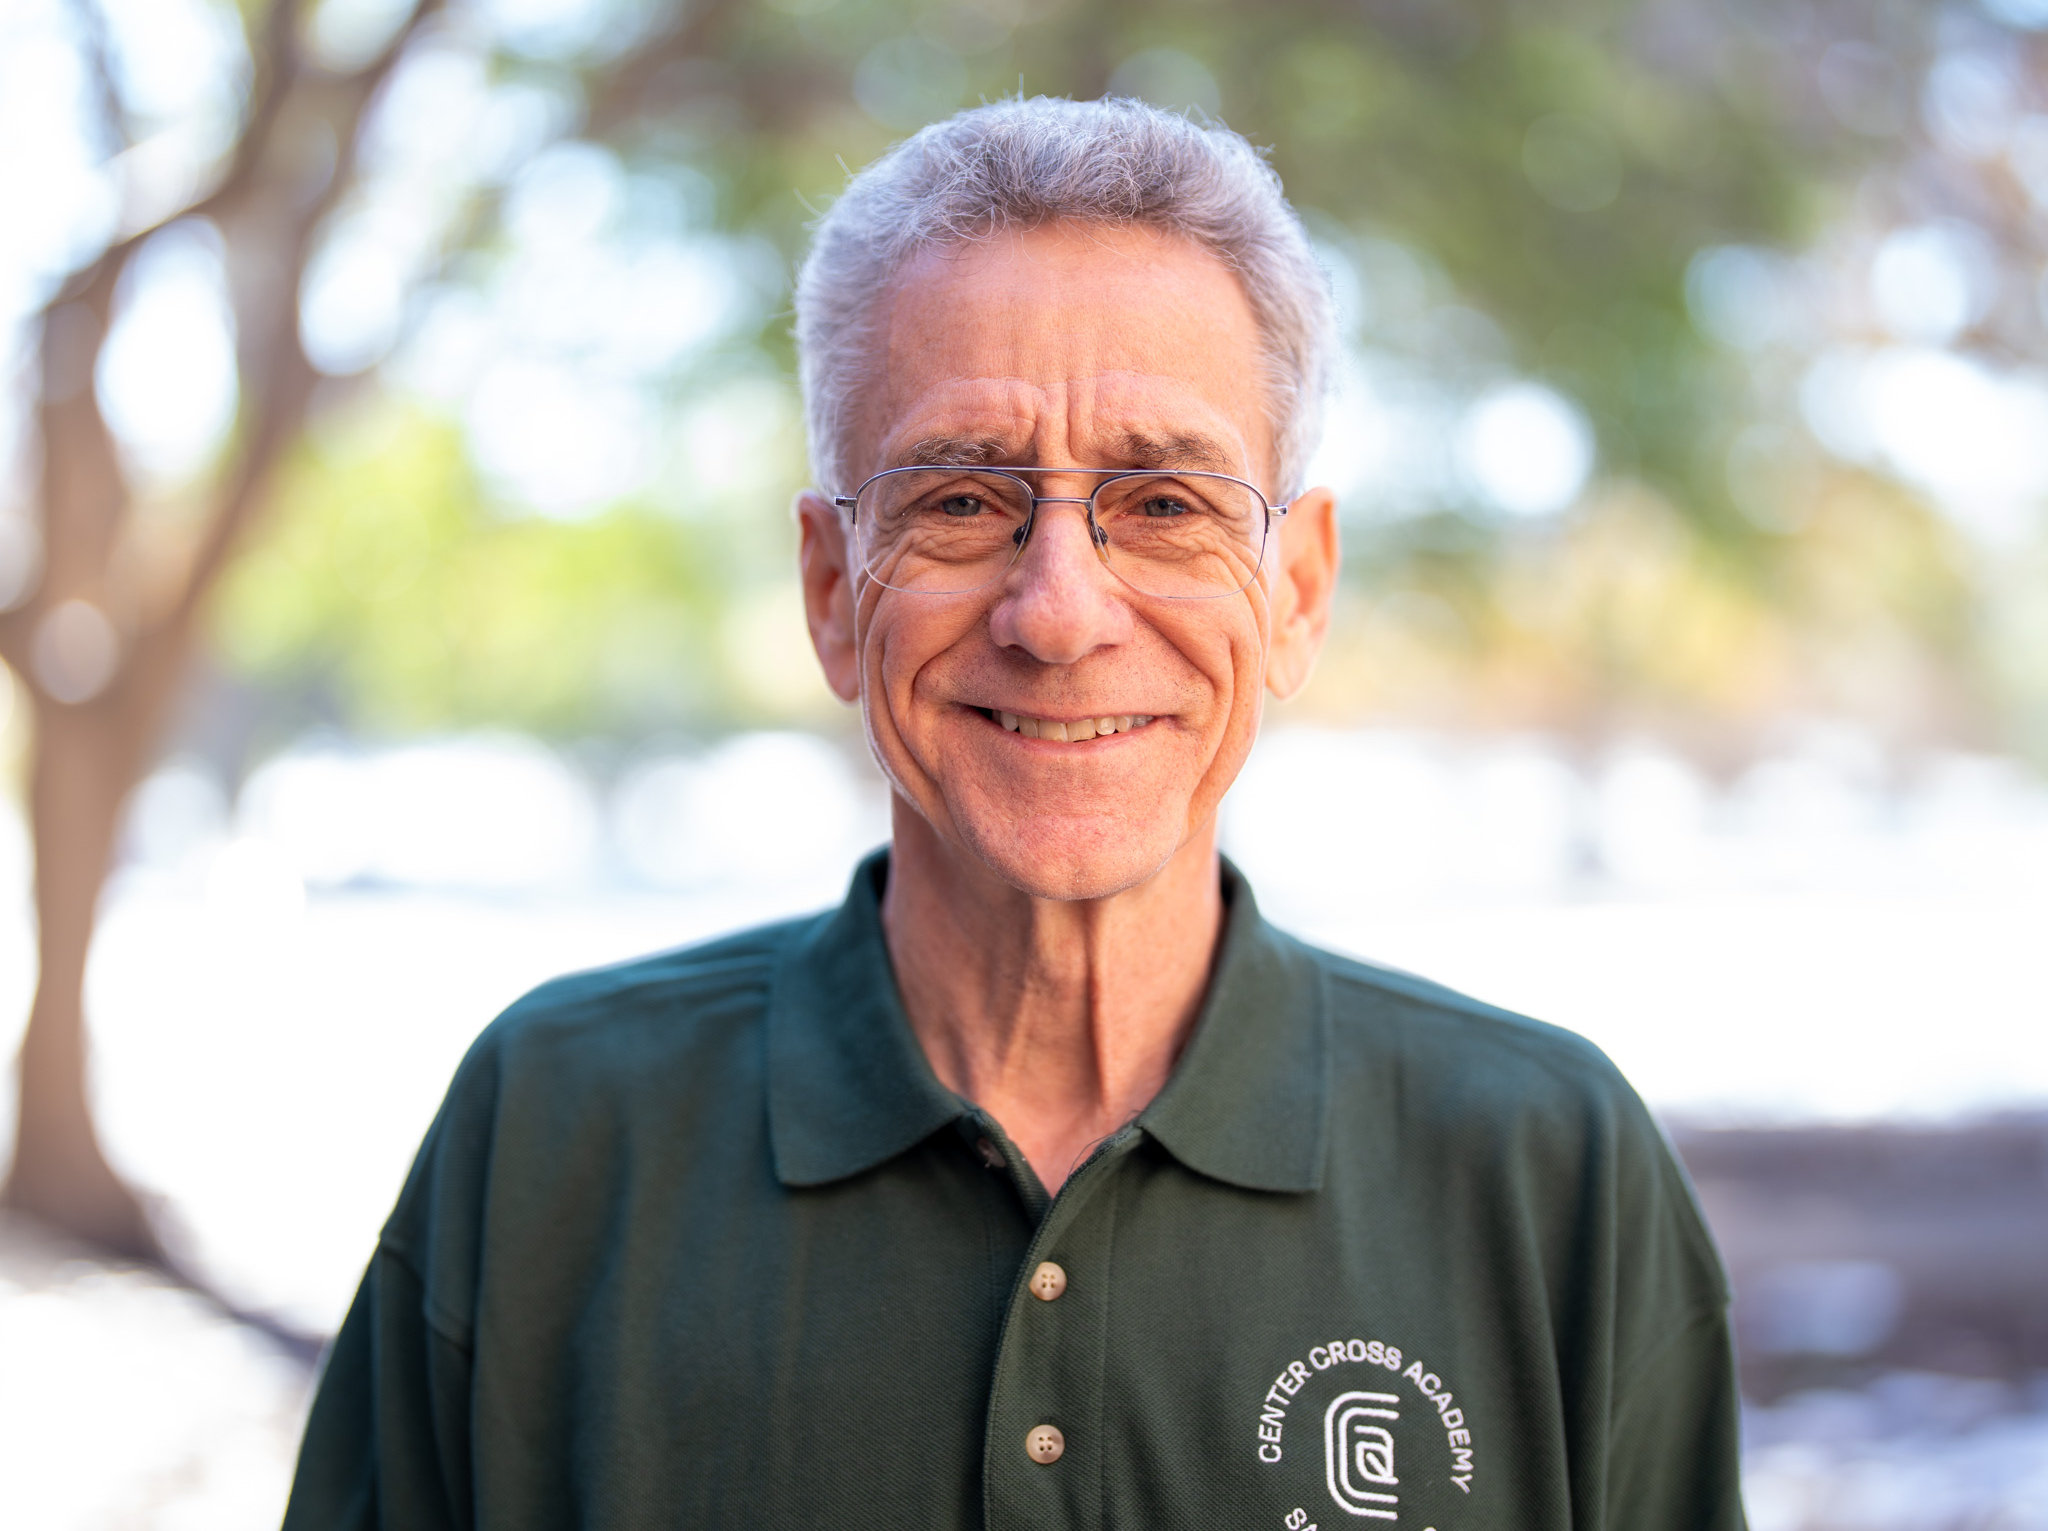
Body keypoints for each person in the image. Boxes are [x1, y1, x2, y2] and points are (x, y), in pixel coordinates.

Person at [282, 96, 1743, 1531]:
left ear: (1295, 589)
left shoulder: (1550, 1172)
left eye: (1164, 502)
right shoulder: (556, 1135)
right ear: (829, 591)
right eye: (964, 501)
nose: (1058, 613)